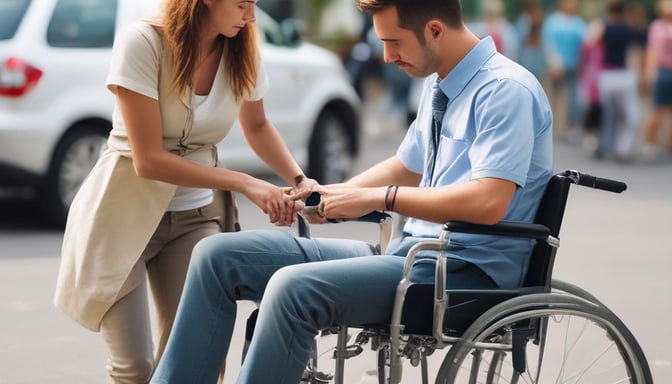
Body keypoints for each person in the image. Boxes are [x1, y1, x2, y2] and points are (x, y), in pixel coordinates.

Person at [151, 0, 553, 383]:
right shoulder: (442, 84)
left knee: (292, 289)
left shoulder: (505, 90)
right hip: (413, 258)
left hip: (464, 275)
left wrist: (380, 198)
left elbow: (488, 202)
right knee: (217, 256)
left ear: (434, 30)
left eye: (393, 42)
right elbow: (406, 166)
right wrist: (328, 195)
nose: (386, 56)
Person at [53, 0, 314, 383]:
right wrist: (245, 182)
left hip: (197, 219)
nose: (252, 16)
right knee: (135, 369)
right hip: (124, 217)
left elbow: (257, 126)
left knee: (196, 365)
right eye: (243, 4)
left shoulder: (242, 47)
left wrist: (298, 180)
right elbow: (148, 160)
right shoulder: (143, 42)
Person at [585, 1, 646, 161]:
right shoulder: (628, 29)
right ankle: (620, 147)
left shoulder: (604, 27)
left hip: (608, 74)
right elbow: (642, 43)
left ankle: (606, 144)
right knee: (626, 115)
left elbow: (590, 42)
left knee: (608, 114)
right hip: (622, 74)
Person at [542, 0, 588, 138]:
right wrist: (553, 62)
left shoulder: (578, 22)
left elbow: (586, 42)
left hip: (573, 65)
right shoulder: (553, 21)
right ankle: (550, 124)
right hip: (555, 65)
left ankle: (566, 123)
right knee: (552, 95)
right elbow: (547, 42)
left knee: (570, 95)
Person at [640, 0, 672, 160]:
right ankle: (650, 141)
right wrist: (649, 73)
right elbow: (653, 50)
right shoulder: (657, 26)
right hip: (662, 70)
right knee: (657, 108)